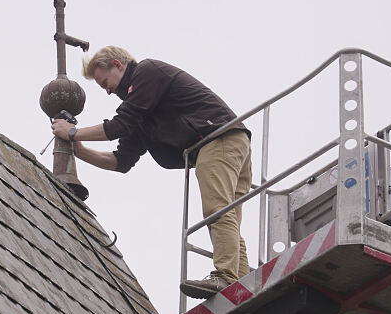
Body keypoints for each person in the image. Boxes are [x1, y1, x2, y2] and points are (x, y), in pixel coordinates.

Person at [50, 45, 252, 299]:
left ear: (118, 64)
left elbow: (119, 125)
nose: (108, 91)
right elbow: (121, 161)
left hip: (217, 139)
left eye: (105, 83)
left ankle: (225, 277)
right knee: (226, 214)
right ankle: (241, 285)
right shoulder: (141, 109)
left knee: (217, 210)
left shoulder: (146, 72)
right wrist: (79, 150)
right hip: (230, 142)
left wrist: (72, 132)